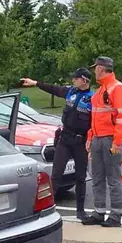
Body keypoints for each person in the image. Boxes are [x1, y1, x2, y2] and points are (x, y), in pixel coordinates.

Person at [20, 68, 93, 220]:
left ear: (84, 80)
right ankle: (48, 208)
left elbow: (97, 121)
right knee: (56, 176)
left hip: (80, 141)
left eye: (76, 78)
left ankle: (81, 211)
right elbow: (53, 89)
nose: (73, 80)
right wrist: (35, 83)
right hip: (65, 139)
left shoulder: (92, 98)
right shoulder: (70, 92)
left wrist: (91, 142)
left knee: (80, 177)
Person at [82, 56, 122, 227]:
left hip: (110, 139)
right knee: (97, 177)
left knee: (113, 178)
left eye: (96, 68)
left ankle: (116, 214)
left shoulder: (117, 88)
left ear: (101, 69)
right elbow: (94, 118)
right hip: (97, 139)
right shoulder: (100, 91)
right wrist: (90, 137)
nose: (94, 71)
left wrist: (117, 142)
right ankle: (99, 212)